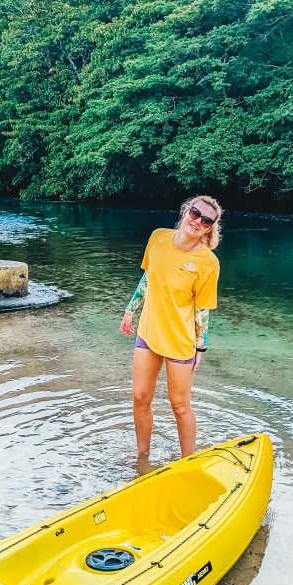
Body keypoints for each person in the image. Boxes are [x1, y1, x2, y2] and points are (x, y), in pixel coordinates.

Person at [120, 195, 222, 463]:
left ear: (210, 228)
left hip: (179, 341)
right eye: (195, 213)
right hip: (148, 332)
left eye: (206, 220)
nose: (197, 221)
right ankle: (143, 457)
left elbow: (202, 310)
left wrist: (201, 346)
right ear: (186, 210)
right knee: (140, 397)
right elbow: (148, 278)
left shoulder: (208, 263)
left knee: (180, 405)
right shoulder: (158, 237)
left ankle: (187, 461)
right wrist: (130, 310)